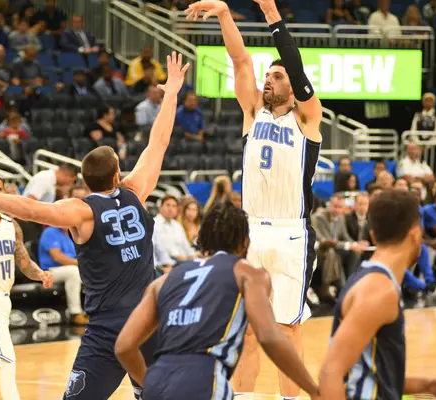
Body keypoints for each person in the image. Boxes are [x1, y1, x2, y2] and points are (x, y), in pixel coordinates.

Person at [0, 51, 190, 399]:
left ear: (86, 181)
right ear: (118, 174)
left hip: (110, 327)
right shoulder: (136, 191)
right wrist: (171, 94)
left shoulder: (81, 211)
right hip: (150, 318)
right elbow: (159, 142)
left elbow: (29, 209)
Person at [186, 0, 323, 397]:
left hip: (291, 235)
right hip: (250, 235)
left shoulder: (307, 118)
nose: (269, 80)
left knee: (285, 329)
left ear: (294, 90)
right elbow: (241, 59)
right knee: (245, 328)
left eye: (277, 77)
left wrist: (272, 16)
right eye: (269, 75)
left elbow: (295, 67)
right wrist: (226, 14)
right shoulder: (252, 111)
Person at [114, 203, 321, 399]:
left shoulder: (163, 281)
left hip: (158, 382)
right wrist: (313, 390)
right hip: (203, 380)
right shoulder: (248, 274)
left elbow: (123, 346)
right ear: (244, 241)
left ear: (201, 238)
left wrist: (149, 383)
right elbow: (269, 338)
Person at [318, 190, 436, 399]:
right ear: (415, 233)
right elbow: (330, 373)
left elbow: (367, 372)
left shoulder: (373, 279)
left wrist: (425, 385)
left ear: (373, 235)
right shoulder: (379, 290)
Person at [0, 174, 53, 400]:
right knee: (8, 360)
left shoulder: (12, 225)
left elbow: (24, 262)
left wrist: (40, 274)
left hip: (3, 299)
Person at [152, 195, 195, 267]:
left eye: (174, 206)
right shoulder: (154, 224)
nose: (170, 208)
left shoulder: (177, 225)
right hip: (166, 264)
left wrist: (194, 256)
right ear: (161, 207)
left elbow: (186, 246)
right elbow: (158, 249)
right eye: (168, 205)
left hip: (183, 261)